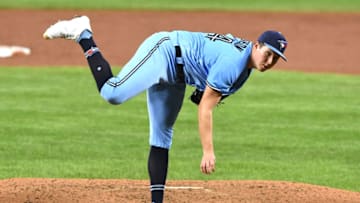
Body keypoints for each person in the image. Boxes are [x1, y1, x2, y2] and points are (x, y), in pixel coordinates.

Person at [43, 16, 288, 203]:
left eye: (275, 59)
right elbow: (205, 108)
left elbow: (201, 93)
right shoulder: (234, 64)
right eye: (268, 54)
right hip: (165, 51)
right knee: (113, 93)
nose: (269, 62)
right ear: (256, 45)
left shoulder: (244, 69)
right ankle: (82, 32)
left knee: (162, 136)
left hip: (178, 75)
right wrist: (208, 151)